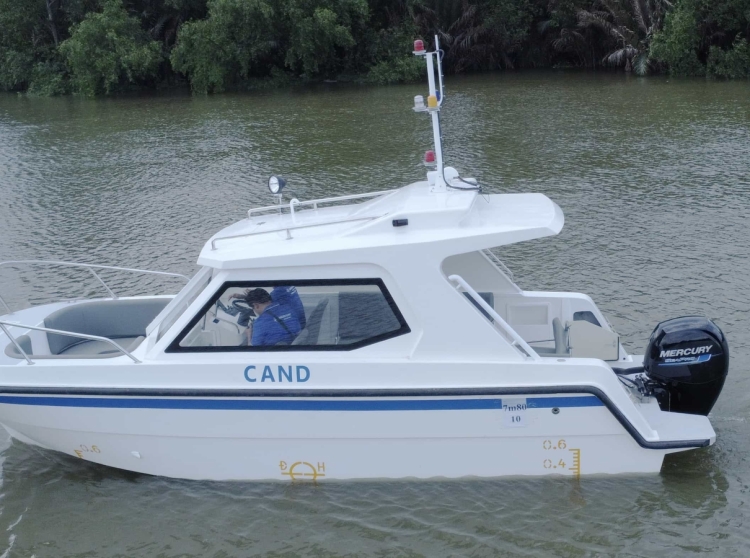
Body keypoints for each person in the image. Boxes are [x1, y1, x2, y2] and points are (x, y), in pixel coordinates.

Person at [230, 286, 306, 329]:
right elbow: (264, 301)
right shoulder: (289, 286)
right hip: (298, 320)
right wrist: (245, 296)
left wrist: (247, 297)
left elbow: (263, 304)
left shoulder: (276, 293)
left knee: (257, 326)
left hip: (293, 324)